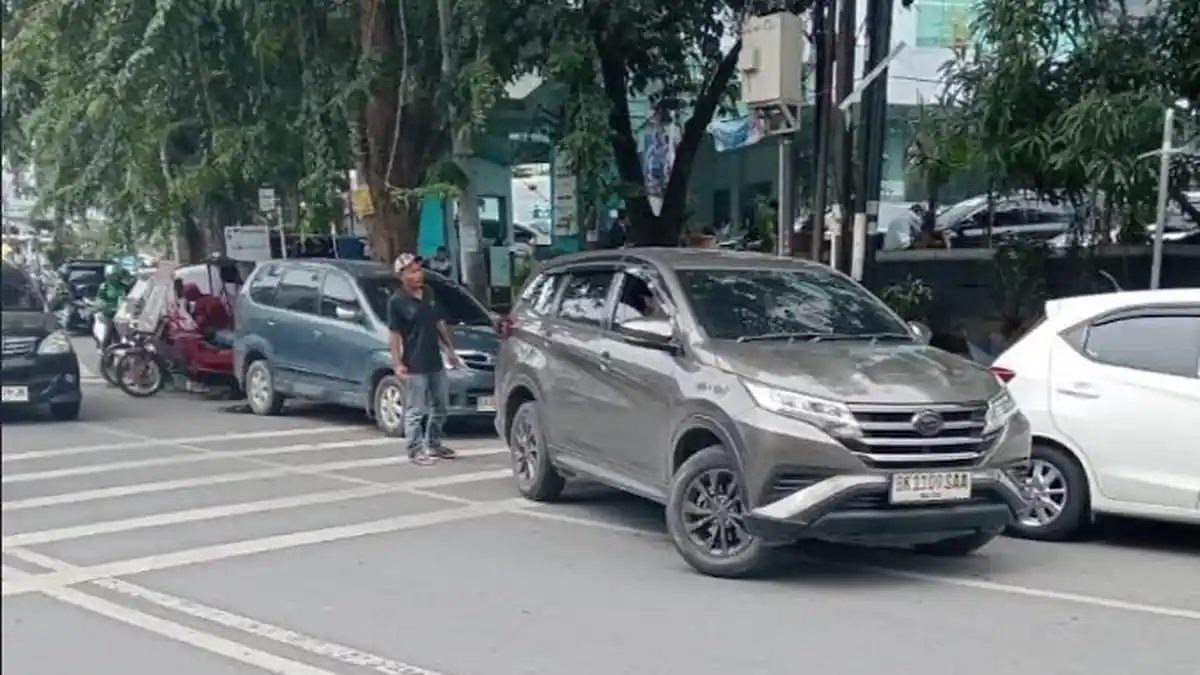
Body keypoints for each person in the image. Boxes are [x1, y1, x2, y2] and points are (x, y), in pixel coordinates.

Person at [387, 253, 464, 466]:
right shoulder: (397, 301)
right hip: (415, 363)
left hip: (434, 360)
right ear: (401, 276)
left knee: (440, 407)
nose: (417, 275)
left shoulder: (428, 293)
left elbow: (438, 322)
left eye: (418, 270)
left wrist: (450, 349)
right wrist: (397, 363)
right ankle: (415, 449)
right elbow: (394, 335)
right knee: (416, 410)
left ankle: (434, 443)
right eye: (412, 271)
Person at [181, 283, 235, 348]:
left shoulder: (200, 305)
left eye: (186, 295)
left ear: (191, 294)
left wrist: (190, 314)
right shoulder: (210, 297)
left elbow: (201, 323)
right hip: (226, 328)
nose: (186, 298)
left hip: (217, 333)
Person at [94, 266, 127, 351]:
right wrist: (106, 306)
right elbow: (99, 300)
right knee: (109, 330)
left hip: (120, 313)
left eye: (116, 275)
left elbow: (125, 298)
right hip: (108, 313)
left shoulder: (122, 286)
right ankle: (104, 349)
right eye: (112, 275)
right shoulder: (104, 286)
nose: (114, 277)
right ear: (107, 275)